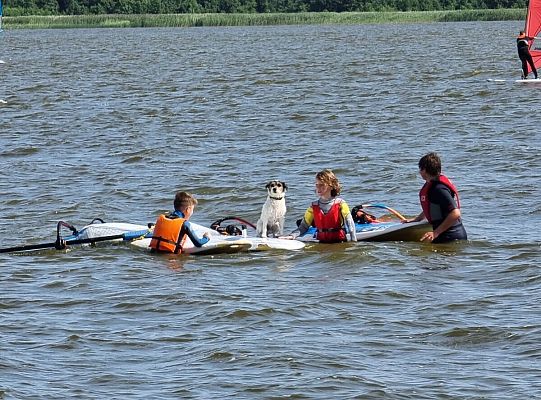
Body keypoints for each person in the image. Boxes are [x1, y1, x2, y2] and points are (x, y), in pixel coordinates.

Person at [403, 152, 467, 243]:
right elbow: (432, 206)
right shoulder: (432, 185)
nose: (419, 172)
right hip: (447, 235)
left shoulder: (439, 189)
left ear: (424, 170)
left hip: (451, 237)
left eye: (420, 169)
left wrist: (436, 232)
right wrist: (417, 219)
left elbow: (455, 213)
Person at [295, 169, 357, 243]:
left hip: (339, 242)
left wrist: (353, 242)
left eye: (321, 185)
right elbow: (303, 227)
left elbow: (350, 225)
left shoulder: (341, 204)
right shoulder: (313, 206)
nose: (318, 188)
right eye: (317, 185)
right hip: (321, 243)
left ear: (331, 186)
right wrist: (291, 236)